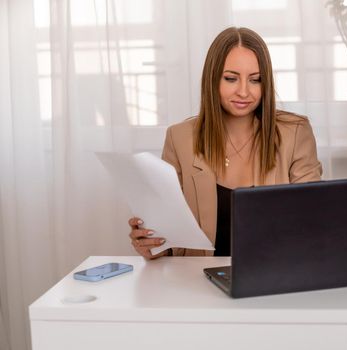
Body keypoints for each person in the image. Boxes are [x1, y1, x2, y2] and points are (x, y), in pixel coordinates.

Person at [128, 27, 322, 259]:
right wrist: (153, 244)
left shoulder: (295, 133)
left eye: (255, 80)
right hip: (198, 283)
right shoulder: (179, 138)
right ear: (213, 79)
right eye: (231, 78)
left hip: (274, 279)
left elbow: (312, 223)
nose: (243, 91)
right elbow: (171, 243)